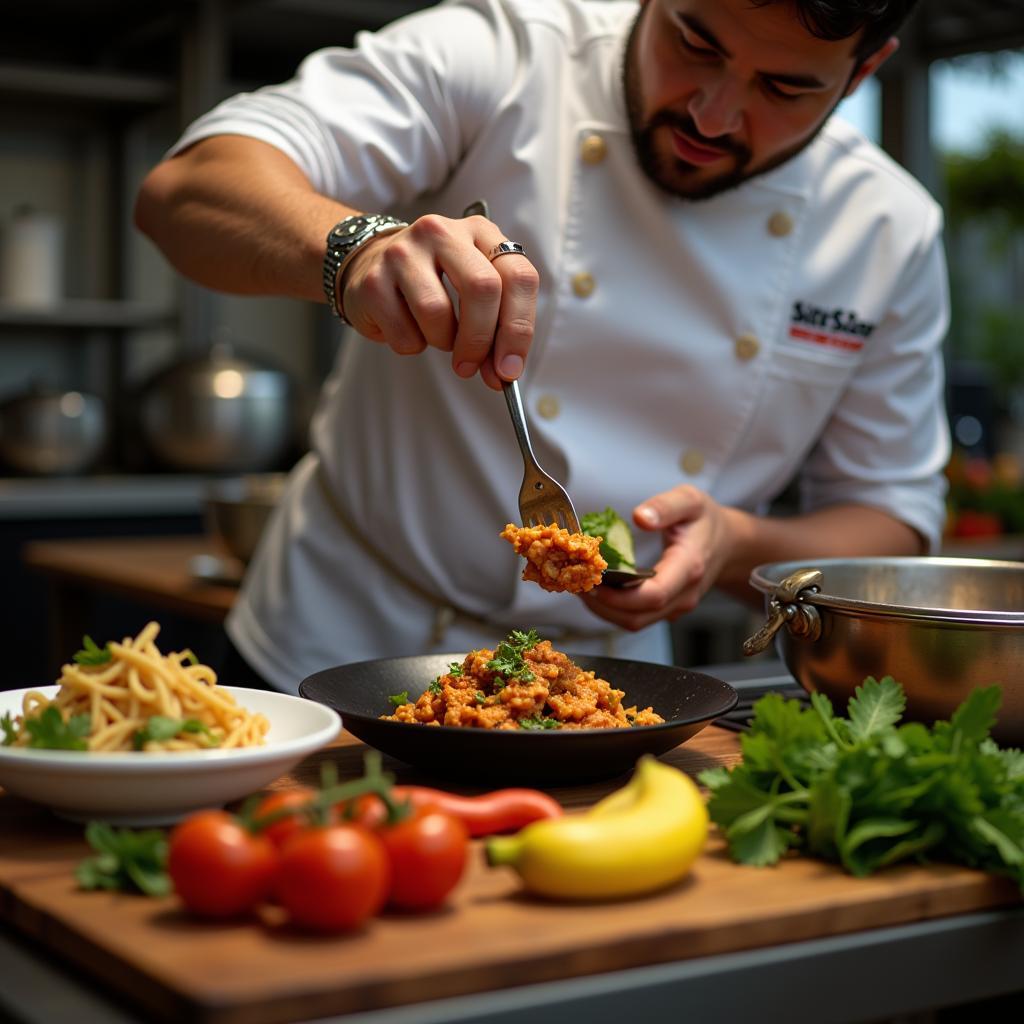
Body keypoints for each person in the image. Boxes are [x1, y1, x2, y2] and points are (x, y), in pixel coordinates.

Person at [135, 0, 950, 693]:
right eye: (694, 43)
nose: (711, 115)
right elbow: (185, 192)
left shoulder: (887, 229)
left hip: (600, 686)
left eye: (785, 88)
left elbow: (893, 520)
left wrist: (740, 546)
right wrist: (357, 250)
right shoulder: (507, 52)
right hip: (332, 640)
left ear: (865, 69)